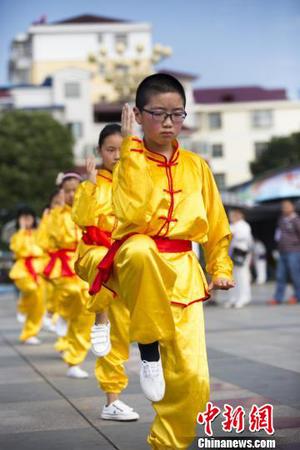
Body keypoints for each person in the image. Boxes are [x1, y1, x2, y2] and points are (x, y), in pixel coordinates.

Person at [89, 74, 234, 449]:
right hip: (139, 266)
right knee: (139, 247)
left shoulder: (197, 166)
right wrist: (131, 155)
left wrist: (219, 268)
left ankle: (167, 445)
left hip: (184, 276)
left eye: (176, 114)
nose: (169, 122)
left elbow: (217, 223)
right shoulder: (128, 162)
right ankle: (148, 349)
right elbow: (132, 214)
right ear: (137, 115)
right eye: (158, 113)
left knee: (193, 383)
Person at [71, 124, 139, 421]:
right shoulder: (95, 183)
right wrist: (89, 184)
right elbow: (83, 219)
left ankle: (112, 401)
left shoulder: (136, 183)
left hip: (121, 265)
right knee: (101, 260)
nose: (116, 155)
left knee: (120, 333)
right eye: (110, 150)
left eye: (121, 150)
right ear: (100, 152)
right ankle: (97, 321)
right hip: (94, 256)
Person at [43, 172, 94, 378]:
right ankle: (60, 315)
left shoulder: (88, 210)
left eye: (75, 190)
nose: (72, 195)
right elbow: (45, 240)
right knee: (70, 294)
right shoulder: (55, 215)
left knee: (85, 314)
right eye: (67, 191)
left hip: (84, 261)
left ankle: (75, 360)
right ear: (61, 193)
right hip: (64, 265)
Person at [9, 207, 45, 344]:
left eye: (29, 217)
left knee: (39, 303)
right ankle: (22, 307)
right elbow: (17, 249)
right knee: (30, 289)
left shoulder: (39, 233)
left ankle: (30, 333)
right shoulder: (17, 235)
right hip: (22, 269)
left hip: (39, 268)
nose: (27, 220)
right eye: (24, 217)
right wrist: (22, 230)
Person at [268, 200, 300, 305]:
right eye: (283, 207)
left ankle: (297, 295)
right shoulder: (281, 219)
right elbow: (278, 234)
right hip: (282, 251)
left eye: (287, 206)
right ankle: (278, 297)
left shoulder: (296, 220)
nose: (284, 209)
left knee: (295, 275)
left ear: (292, 207)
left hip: (294, 251)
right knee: (280, 275)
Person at [226, 209, 253, 308]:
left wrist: (233, 235)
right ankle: (233, 298)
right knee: (232, 276)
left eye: (234, 215)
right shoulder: (231, 225)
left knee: (242, 275)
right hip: (231, 253)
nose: (232, 217)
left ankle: (244, 297)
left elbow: (244, 238)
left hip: (241, 253)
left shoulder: (244, 225)